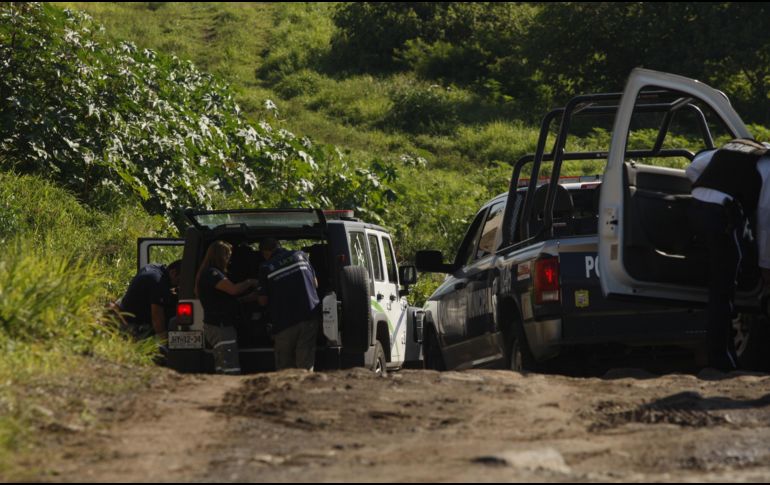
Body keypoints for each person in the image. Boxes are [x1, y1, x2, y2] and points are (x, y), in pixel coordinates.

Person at [686, 138, 770, 371]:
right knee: (724, 290)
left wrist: (711, 190)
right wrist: (765, 266)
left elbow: (692, 168)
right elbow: (764, 221)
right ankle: (722, 361)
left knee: (717, 274)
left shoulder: (741, 146)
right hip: (722, 216)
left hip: (695, 209)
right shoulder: (769, 168)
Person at [196, 240, 258, 375]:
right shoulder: (213, 274)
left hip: (216, 324)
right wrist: (250, 282)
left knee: (221, 364)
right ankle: (230, 391)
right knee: (229, 366)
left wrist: (246, 299)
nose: (228, 260)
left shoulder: (207, 273)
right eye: (227, 255)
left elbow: (222, 299)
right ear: (219, 256)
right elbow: (233, 290)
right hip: (221, 326)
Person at [257, 238, 320, 371]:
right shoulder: (301, 255)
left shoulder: (266, 267)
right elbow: (315, 284)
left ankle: (287, 391)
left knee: (285, 367)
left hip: (284, 322)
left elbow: (263, 301)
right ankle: (304, 390)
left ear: (265, 252)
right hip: (308, 316)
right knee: (305, 364)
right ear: (279, 245)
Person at [119, 260, 181, 341]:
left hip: (130, 317)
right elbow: (157, 317)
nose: (178, 285)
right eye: (179, 281)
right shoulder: (157, 281)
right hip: (134, 326)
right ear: (173, 272)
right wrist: (164, 342)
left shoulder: (157, 269)